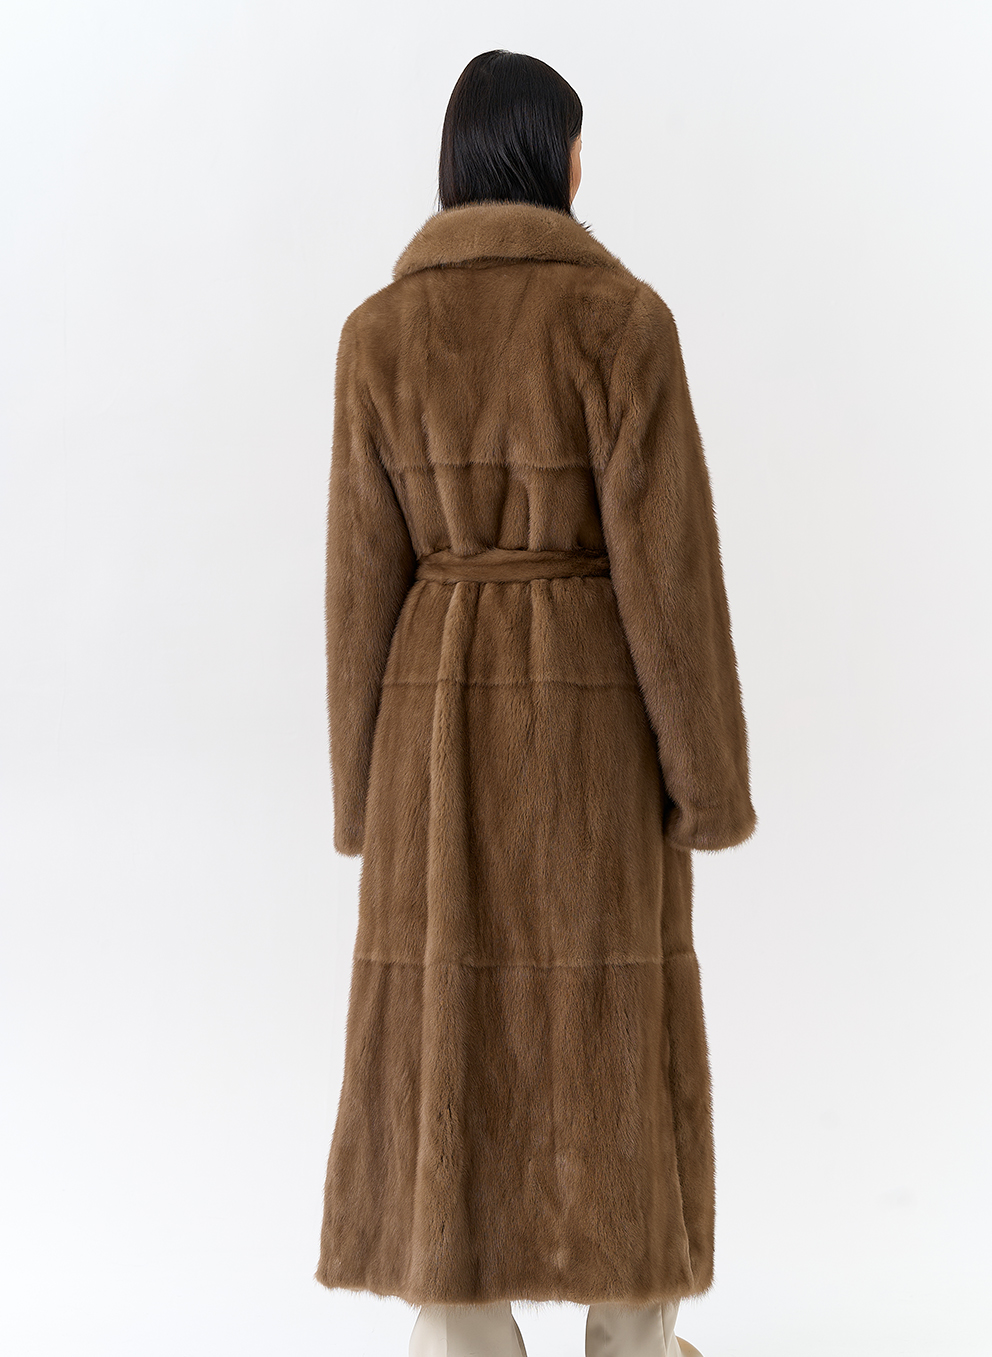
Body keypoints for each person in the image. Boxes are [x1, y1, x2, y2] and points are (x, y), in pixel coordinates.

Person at [314, 49, 757, 1357]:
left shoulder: (378, 336)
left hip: (431, 716)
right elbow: (670, 578)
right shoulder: (622, 324)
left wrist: (362, 792)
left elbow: (356, 585)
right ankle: (632, 1336)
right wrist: (708, 784)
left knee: (445, 1029)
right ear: (558, 159)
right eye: (576, 143)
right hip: (592, 718)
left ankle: (460, 1336)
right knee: (612, 1024)